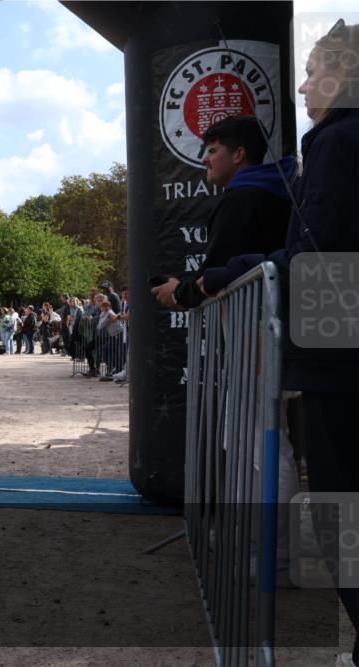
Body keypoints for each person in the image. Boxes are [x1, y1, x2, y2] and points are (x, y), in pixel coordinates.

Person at [201, 22, 359, 666]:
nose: (302, 83)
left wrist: (217, 278)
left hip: (338, 363)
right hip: (333, 353)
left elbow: (314, 256)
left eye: (315, 69)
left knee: (338, 505)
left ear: (346, 74)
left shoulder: (341, 142)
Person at [152, 115, 293, 310]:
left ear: (238, 155)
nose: (205, 160)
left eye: (212, 151)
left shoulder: (239, 201)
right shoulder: (282, 195)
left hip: (253, 327)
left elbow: (214, 276)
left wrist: (178, 293)